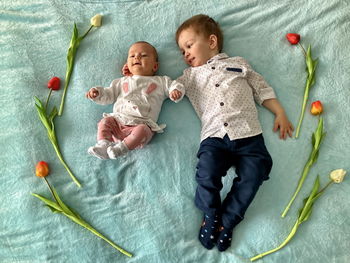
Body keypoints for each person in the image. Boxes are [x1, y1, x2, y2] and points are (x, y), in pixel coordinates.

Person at [175, 14, 294, 252]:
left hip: (249, 135)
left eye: (189, 46)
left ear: (211, 42)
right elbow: (170, 86)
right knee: (206, 175)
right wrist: (170, 89)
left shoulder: (240, 63)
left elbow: (261, 89)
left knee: (256, 171)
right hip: (214, 137)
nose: (185, 54)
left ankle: (227, 220)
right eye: (181, 51)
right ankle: (211, 214)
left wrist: (279, 112)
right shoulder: (189, 76)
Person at [86, 41, 184, 159]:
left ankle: (121, 149)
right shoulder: (121, 82)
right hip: (118, 122)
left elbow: (175, 85)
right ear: (127, 64)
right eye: (132, 56)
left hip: (141, 125)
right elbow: (109, 94)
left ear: (155, 66)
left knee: (143, 130)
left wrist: (176, 91)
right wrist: (98, 93)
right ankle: (103, 145)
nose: (137, 57)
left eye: (143, 55)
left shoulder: (161, 81)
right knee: (105, 121)